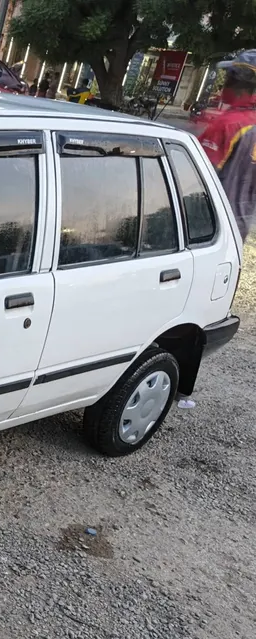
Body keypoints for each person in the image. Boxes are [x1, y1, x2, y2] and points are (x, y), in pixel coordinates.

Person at [176, 50, 256, 410]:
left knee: (181, 304)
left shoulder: (227, 125)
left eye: (229, 81)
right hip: (236, 229)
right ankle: (181, 385)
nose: (224, 86)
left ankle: (171, 381)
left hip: (202, 224)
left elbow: (195, 179)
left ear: (241, 86)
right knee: (209, 305)